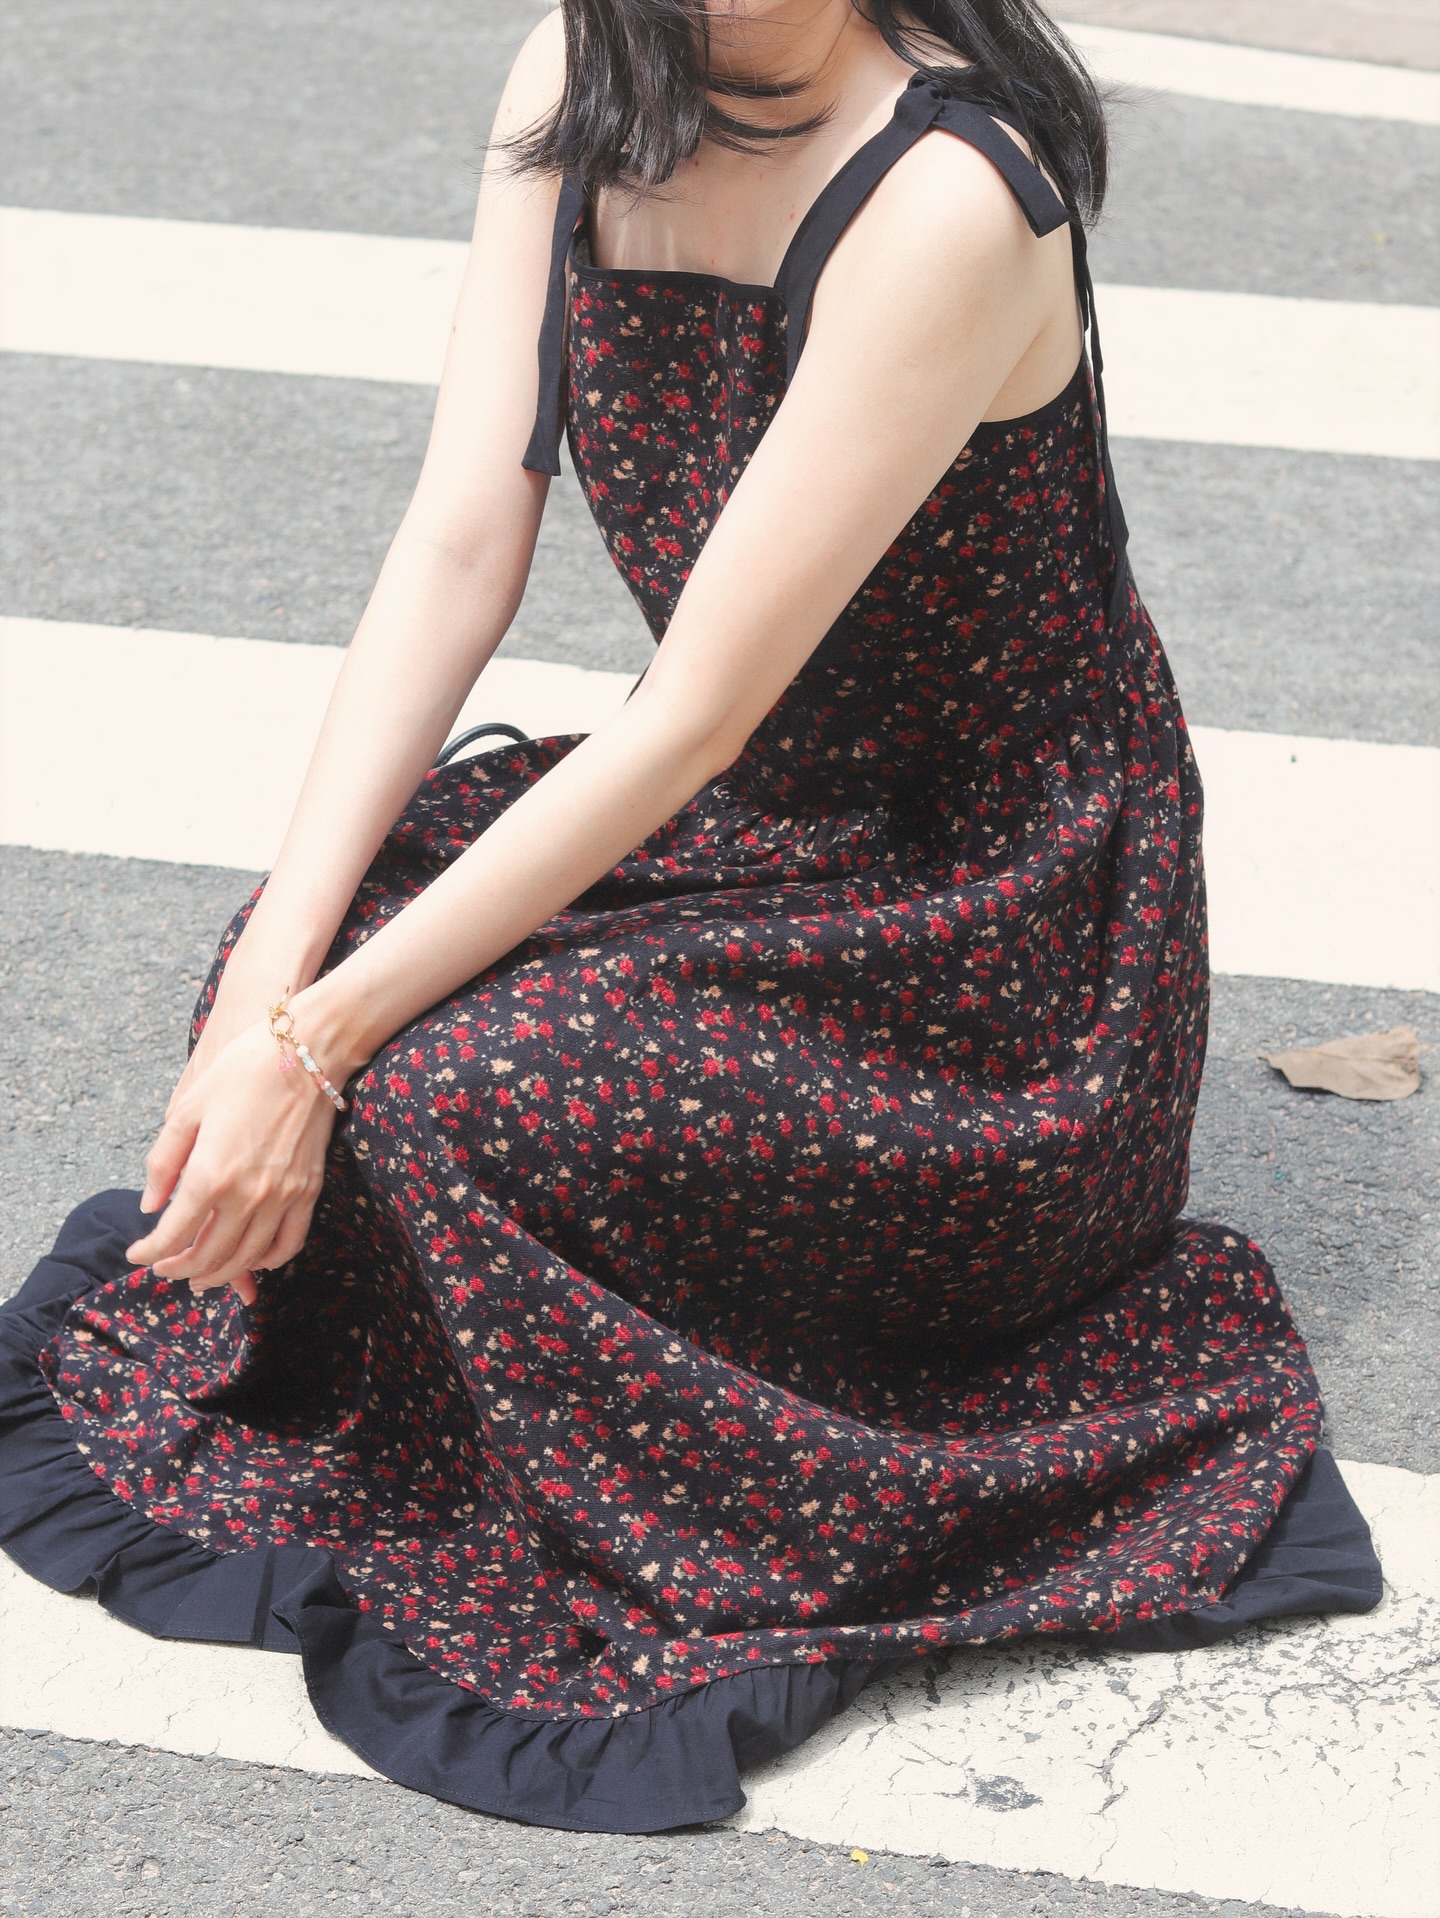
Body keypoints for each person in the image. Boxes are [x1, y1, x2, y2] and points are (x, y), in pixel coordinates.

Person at [0, 0, 1381, 1833]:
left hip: (991, 949)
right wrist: (275, 993)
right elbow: (461, 537)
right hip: (744, 834)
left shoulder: (948, 191)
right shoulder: (580, 67)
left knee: (431, 1091)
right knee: (293, 969)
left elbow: (690, 714)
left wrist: (315, 1050)